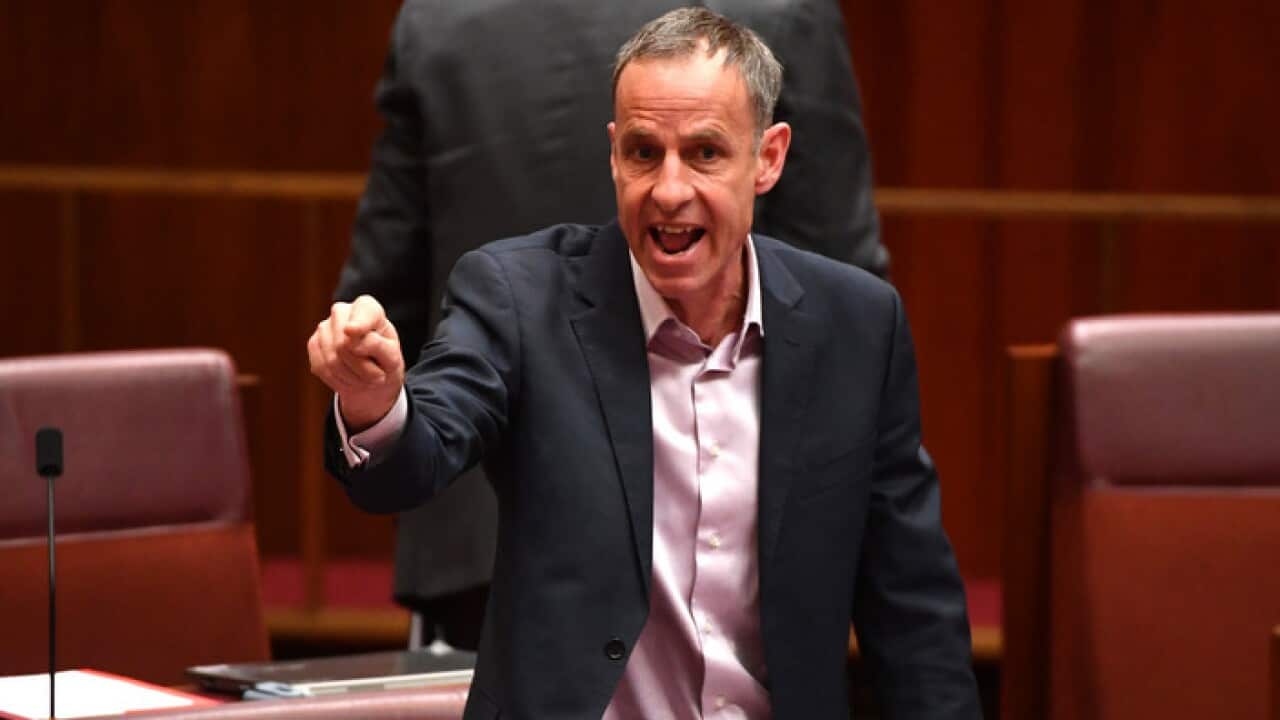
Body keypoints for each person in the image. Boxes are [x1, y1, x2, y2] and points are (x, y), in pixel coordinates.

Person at [310, 8, 979, 718]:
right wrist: (377, 403)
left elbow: (913, 616)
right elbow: (416, 454)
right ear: (612, 154)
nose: (667, 190)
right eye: (642, 153)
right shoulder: (520, 298)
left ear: (769, 157)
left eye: (705, 154)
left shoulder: (855, 327)